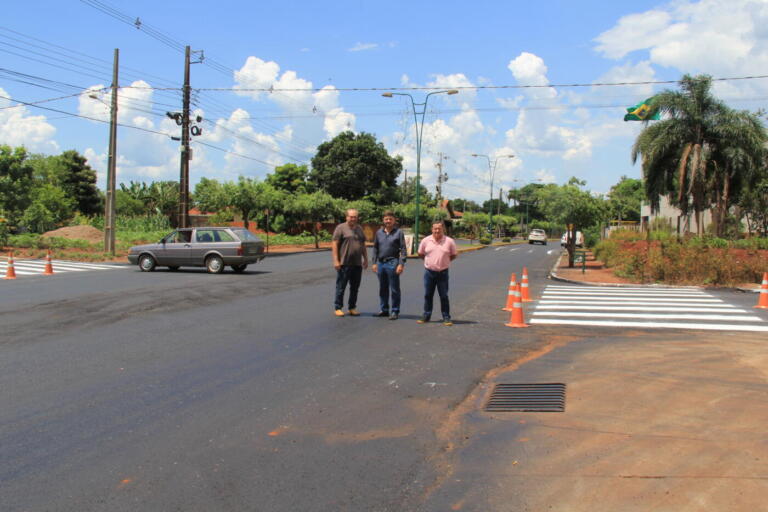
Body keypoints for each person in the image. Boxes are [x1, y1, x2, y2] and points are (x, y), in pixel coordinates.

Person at [417, 221, 458, 326]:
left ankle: (446, 317)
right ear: (432, 229)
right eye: (435, 228)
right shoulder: (426, 240)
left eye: (439, 228)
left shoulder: (449, 241)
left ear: (443, 229)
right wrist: (429, 263)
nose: (437, 230)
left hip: (443, 273)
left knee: (444, 296)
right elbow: (421, 253)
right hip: (429, 272)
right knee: (428, 295)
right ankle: (426, 315)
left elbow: (453, 255)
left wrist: (444, 262)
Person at [332, 208, 368, 317]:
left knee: (355, 287)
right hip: (344, 263)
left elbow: (362, 245)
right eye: (351, 216)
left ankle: (352, 307)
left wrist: (365, 259)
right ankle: (338, 307)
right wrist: (336, 260)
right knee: (341, 286)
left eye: (355, 217)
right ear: (346, 217)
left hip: (357, 263)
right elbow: (334, 244)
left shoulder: (359, 229)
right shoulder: (340, 228)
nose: (353, 218)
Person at [371, 211, 407, 320]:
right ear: (383, 220)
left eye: (390, 219)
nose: (388, 221)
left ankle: (395, 311)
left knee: (394, 288)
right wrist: (374, 263)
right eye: (386, 219)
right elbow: (375, 248)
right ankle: (384, 310)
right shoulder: (379, 233)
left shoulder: (399, 233)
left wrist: (401, 264)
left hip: (393, 262)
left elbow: (403, 249)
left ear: (394, 220)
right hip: (381, 263)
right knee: (383, 288)